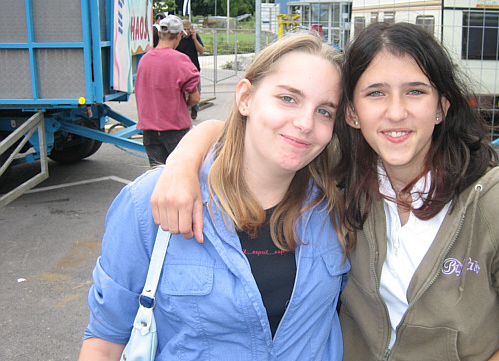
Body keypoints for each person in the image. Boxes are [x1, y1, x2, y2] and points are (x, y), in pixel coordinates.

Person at [150, 22, 499, 360]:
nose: (396, 111)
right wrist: (185, 159)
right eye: (375, 93)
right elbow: (259, 131)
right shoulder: (341, 182)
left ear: (442, 107)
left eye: (416, 91)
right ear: (352, 113)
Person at [78, 33, 351, 360]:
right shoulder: (151, 201)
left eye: (324, 111)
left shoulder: (336, 206)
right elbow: (105, 342)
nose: (305, 122)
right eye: (288, 98)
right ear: (246, 98)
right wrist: (184, 158)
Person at [135, 15, 200, 167]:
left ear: (159, 34)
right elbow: (195, 98)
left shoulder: (144, 60)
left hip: (149, 129)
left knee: (157, 175)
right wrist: (184, 104)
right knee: (180, 173)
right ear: (178, 35)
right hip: (175, 129)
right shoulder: (180, 60)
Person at [176, 19, 205, 120]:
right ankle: (186, 112)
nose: (186, 32)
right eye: (184, 29)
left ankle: (195, 108)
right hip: (181, 70)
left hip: (194, 69)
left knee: (196, 91)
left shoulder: (194, 37)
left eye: (188, 29)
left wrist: (194, 39)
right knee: (185, 92)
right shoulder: (178, 39)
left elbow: (201, 50)